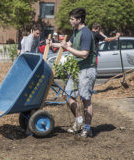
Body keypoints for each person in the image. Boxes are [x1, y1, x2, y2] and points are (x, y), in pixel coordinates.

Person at [49, 8, 97, 138]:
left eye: (72, 19)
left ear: (79, 20)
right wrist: (52, 44)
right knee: (67, 94)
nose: (70, 21)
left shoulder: (86, 33)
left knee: (85, 99)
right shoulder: (76, 31)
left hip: (87, 69)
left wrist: (67, 47)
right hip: (77, 69)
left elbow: (84, 54)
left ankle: (87, 129)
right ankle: (79, 121)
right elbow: (67, 44)